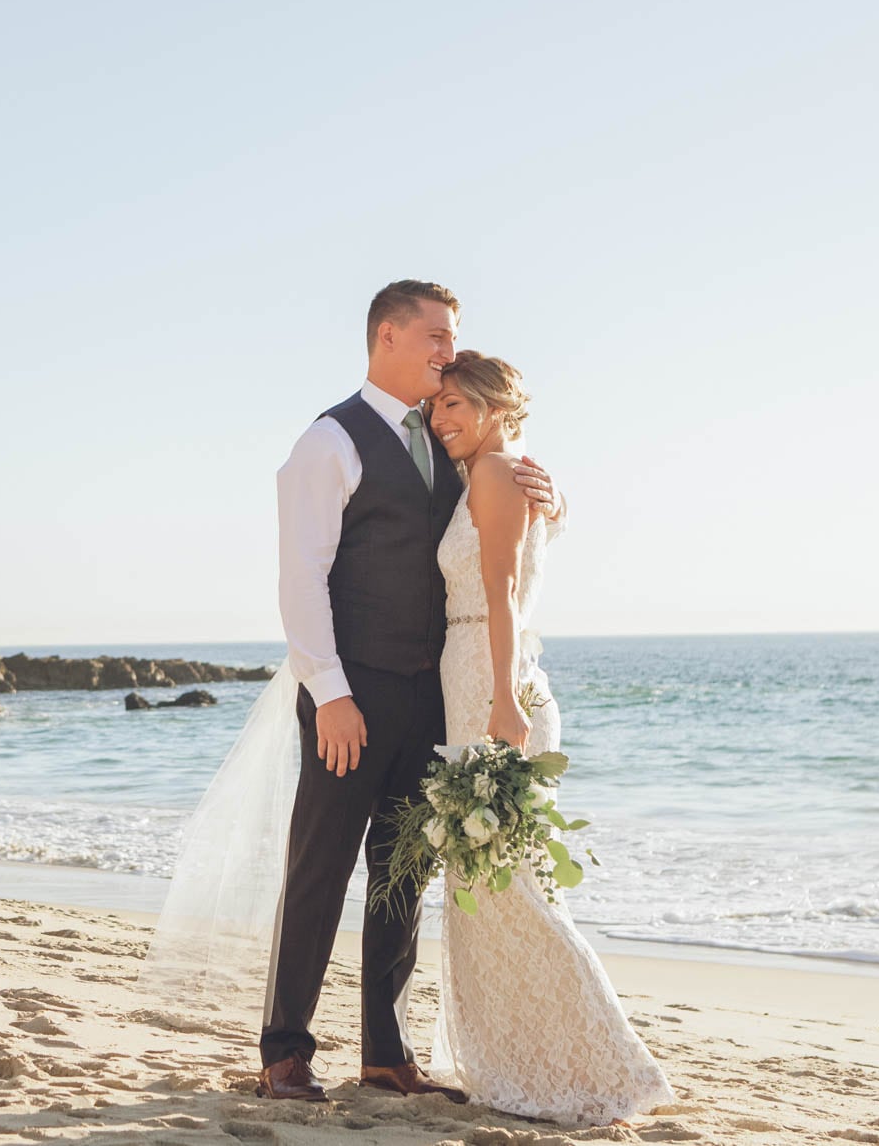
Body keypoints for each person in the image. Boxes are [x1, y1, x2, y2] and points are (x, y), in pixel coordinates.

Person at [258, 280, 556, 1103]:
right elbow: (301, 579)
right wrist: (330, 692)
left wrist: (551, 494)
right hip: (351, 695)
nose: (446, 351)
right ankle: (284, 1050)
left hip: (429, 696)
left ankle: (384, 1055)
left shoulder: (450, 440)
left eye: (452, 339)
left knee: (401, 873)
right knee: (318, 868)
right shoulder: (331, 439)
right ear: (386, 335)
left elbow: (498, 525)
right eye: (435, 335)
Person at [424, 349, 673, 1124]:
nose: (442, 419)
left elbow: (501, 591)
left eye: (457, 404)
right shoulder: (489, 475)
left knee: (517, 888)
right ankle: (520, 1064)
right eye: (437, 408)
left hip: (492, 680)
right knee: (485, 886)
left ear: (496, 407)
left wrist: (503, 698)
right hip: (471, 671)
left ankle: (606, 1066)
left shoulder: (499, 474)